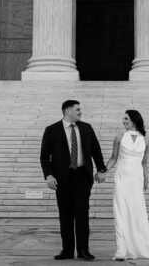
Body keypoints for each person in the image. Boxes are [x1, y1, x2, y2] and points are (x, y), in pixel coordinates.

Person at [40, 99, 107, 260]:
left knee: (82, 213)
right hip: (62, 179)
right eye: (77, 110)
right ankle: (67, 250)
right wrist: (48, 175)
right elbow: (44, 156)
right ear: (67, 111)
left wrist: (102, 169)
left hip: (82, 177)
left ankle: (84, 250)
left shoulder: (86, 128)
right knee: (65, 215)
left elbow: (95, 150)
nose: (80, 112)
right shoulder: (51, 130)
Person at [107, 109, 149, 261]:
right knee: (121, 212)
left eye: (126, 119)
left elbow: (144, 162)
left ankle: (141, 248)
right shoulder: (120, 137)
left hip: (136, 179)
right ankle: (122, 250)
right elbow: (114, 158)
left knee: (137, 213)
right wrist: (103, 171)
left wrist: (146, 178)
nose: (124, 121)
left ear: (134, 120)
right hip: (121, 178)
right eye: (123, 119)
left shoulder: (146, 140)